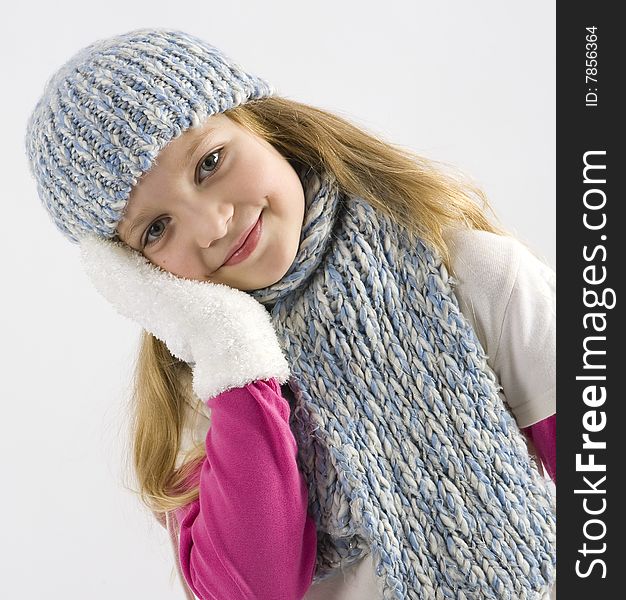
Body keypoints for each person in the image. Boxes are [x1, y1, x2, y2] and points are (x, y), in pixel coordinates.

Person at [24, 27, 556, 600]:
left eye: (209, 163)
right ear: (128, 275)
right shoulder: (197, 398)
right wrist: (235, 361)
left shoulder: (469, 274)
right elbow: (253, 590)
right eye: (156, 228)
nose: (212, 224)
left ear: (259, 122)